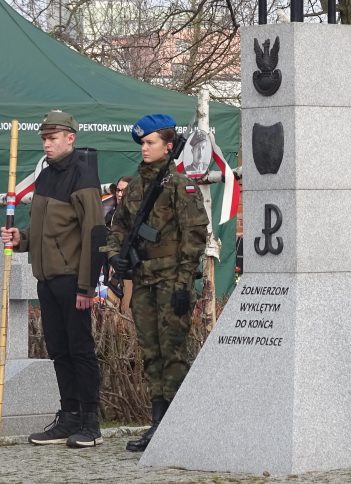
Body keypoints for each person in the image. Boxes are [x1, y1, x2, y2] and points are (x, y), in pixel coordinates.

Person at [0, 110, 104, 448]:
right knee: (59, 351)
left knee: (80, 350)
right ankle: (69, 415)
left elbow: (94, 233)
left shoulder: (83, 175)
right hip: (46, 277)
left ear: (70, 138)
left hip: (73, 278)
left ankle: (91, 422)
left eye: (53, 137)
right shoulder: (44, 176)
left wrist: (88, 286)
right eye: (44, 138)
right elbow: (50, 229)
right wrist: (22, 238)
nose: (46, 143)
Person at [106, 114, 210, 452]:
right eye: (143, 143)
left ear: (168, 145)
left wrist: (183, 285)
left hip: (170, 282)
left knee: (173, 353)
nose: (145, 149)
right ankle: (158, 423)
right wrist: (116, 256)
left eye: (150, 142)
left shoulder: (179, 185)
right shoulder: (136, 185)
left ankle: (179, 425)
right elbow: (118, 227)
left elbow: (194, 236)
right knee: (151, 354)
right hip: (144, 280)